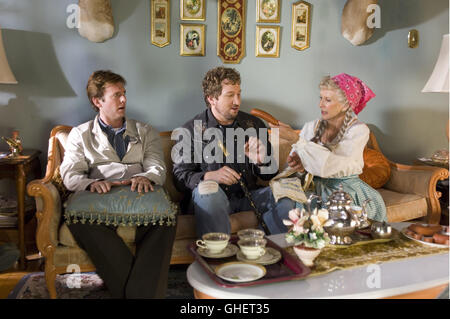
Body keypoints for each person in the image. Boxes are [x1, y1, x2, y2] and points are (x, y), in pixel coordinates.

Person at [60, 70, 176, 299]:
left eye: (124, 94)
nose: (124, 100)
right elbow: (70, 175)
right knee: (80, 220)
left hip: (140, 195)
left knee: (166, 218)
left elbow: (157, 168)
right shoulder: (80, 134)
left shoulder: (146, 131)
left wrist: (147, 177)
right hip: (99, 199)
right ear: (97, 101)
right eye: (116, 95)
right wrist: (92, 183)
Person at [173, 66, 296, 237]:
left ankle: (270, 252)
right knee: (209, 191)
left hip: (248, 196)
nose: (237, 101)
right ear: (211, 99)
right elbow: (180, 177)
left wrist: (261, 161)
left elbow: (269, 175)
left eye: (238, 94)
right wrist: (210, 176)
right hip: (212, 198)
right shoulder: (190, 130)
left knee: (286, 194)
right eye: (230, 95)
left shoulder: (253, 124)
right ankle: (217, 259)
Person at [269, 73, 387, 222]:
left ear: (346, 104)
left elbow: (333, 165)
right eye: (321, 98)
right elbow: (300, 161)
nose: (320, 104)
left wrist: (296, 139)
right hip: (314, 187)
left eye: (328, 100)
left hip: (345, 189)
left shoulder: (358, 130)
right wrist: (299, 165)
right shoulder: (311, 127)